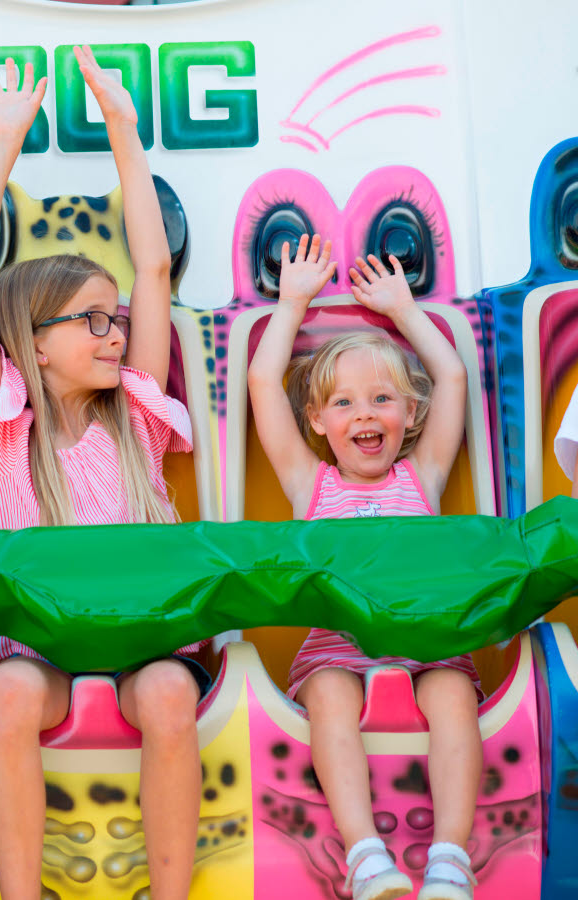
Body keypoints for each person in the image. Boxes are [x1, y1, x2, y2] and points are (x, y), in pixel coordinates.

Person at [0, 47, 203, 900]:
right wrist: (1, 146)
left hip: (142, 631)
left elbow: (155, 268)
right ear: (34, 340)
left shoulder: (137, 415)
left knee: (166, 698)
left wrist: (125, 130)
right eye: (91, 322)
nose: (114, 334)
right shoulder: (0, 420)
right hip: (36, 642)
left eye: (114, 321)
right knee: (8, 696)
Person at [247, 235, 482, 900]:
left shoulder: (422, 474)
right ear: (318, 421)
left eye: (382, 399)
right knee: (328, 698)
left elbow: (454, 377)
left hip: (427, 639)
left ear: (410, 415)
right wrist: (291, 303)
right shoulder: (310, 485)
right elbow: (264, 382)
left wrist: (405, 311)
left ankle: (449, 859)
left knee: (454, 698)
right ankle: (365, 855)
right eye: (344, 404)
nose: (364, 415)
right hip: (336, 646)